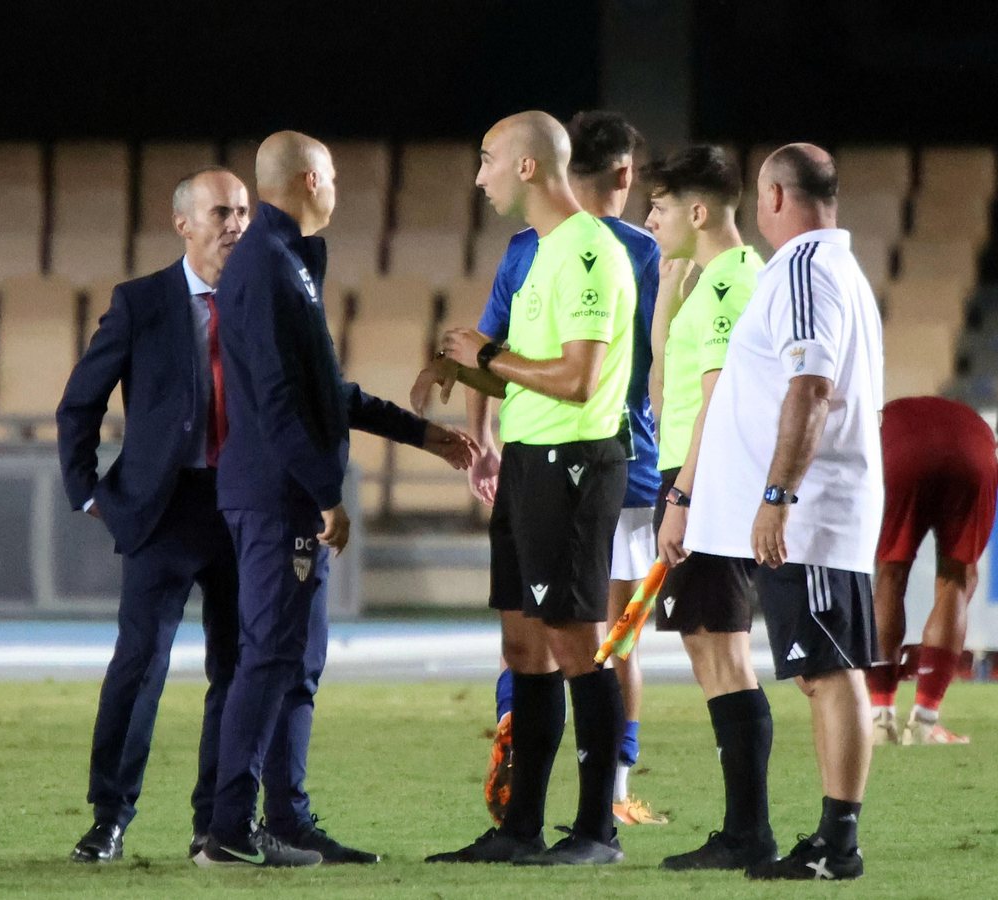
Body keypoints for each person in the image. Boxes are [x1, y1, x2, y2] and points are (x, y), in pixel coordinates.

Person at [195, 132, 477, 868]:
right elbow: (283, 399)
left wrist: (421, 435)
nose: (339, 190)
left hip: (280, 492)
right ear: (310, 179)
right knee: (269, 657)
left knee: (296, 661)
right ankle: (229, 829)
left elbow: (325, 389)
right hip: (277, 496)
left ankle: (286, 821)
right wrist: (325, 495)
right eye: (334, 178)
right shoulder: (269, 266)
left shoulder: (285, 263)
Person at [413, 110, 666, 828]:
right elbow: (523, 372)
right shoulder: (536, 252)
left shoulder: (590, 251)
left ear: (528, 167)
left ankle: (594, 826)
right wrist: (459, 370)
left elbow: (581, 378)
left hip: (575, 464)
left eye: (488, 158)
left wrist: (487, 358)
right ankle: (521, 827)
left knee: (579, 646)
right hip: (530, 462)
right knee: (523, 645)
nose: (478, 174)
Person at [683, 144, 884, 882]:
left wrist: (775, 497)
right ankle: (834, 838)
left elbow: (810, 387)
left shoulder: (802, 269)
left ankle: (839, 843)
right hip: (813, 510)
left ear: (771, 196)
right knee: (821, 673)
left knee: (831, 673)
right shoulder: (829, 269)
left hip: (811, 512)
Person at [56, 166, 248, 864]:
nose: (236, 224)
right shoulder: (141, 302)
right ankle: (110, 816)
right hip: (164, 511)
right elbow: (80, 402)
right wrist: (88, 491)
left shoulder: (264, 299)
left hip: (242, 508)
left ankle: (218, 823)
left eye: (244, 211)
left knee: (238, 671)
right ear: (183, 223)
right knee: (139, 667)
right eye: (222, 211)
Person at [640, 145, 775, 872]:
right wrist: (667, 293)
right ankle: (741, 830)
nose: (652, 221)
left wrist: (684, 498)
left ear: (697, 212)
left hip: (711, 486)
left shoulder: (732, 284)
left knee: (724, 651)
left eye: (659, 209)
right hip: (694, 479)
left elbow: (718, 400)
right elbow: (669, 386)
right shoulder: (710, 281)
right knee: (707, 647)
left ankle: (748, 833)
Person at [865, 396, 998, 746]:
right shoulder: (970, 422)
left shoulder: (891, 416)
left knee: (889, 576)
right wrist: (933, 652)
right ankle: (924, 722)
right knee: (957, 579)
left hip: (899, 454)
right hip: (973, 454)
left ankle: (880, 718)